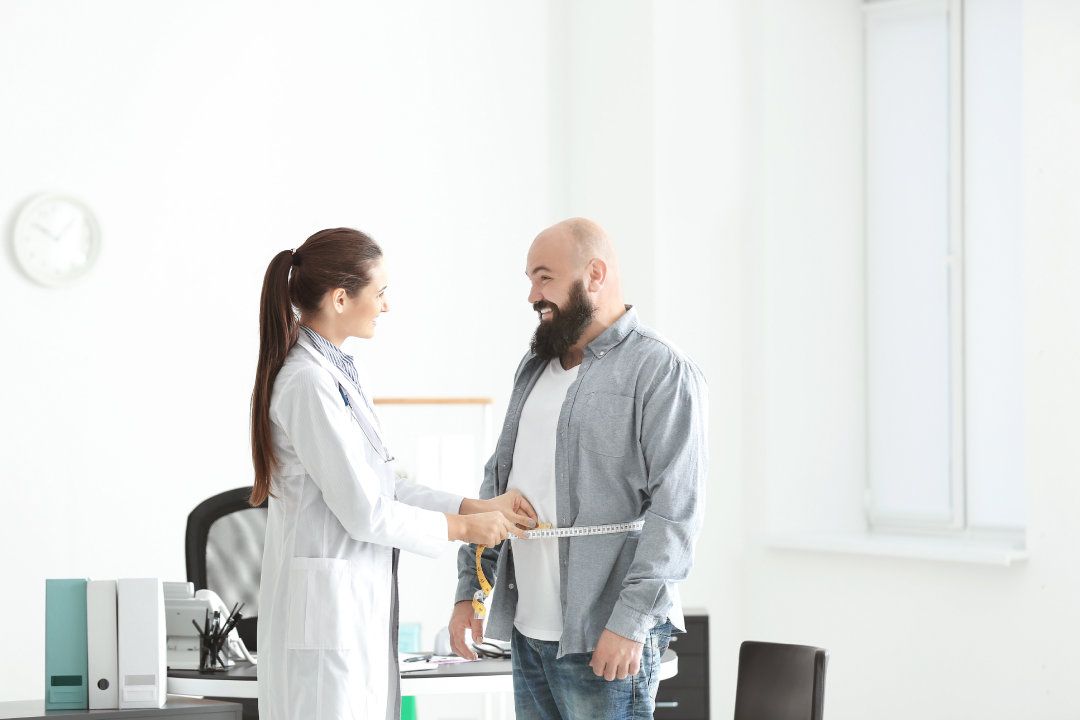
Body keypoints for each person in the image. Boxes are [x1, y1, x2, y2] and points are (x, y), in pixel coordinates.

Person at [250, 228, 537, 720]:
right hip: (328, 626)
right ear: (341, 298)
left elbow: (383, 486)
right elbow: (366, 513)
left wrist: (476, 506)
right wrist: (466, 530)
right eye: (380, 292)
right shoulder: (308, 383)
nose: (387, 306)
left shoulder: (335, 372)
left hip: (348, 610)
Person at [447, 218, 708, 720]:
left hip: (604, 637)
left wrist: (629, 623)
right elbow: (496, 485)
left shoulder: (661, 371)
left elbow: (677, 512)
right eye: (528, 279)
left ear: (594, 274)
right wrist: (470, 592)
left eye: (543, 277)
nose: (531, 295)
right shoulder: (534, 367)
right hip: (527, 633)